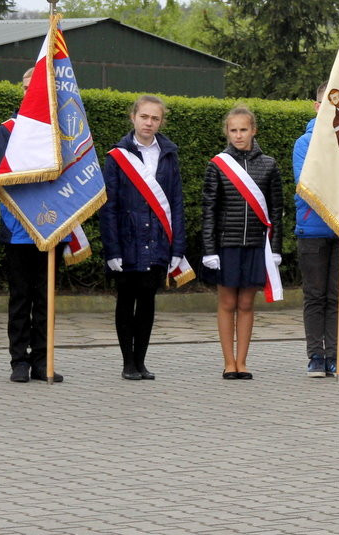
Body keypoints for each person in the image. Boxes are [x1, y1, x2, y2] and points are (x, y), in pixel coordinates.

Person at [100, 95, 186, 380]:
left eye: (155, 118)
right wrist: (112, 249)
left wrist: (177, 247)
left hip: (159, 239)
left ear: (161, 121)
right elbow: (108, 206)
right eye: (144, 117)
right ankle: (127, 362)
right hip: (126, 240)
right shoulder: (116, 157)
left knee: (148, 300)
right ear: (133, 117)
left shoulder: (169, 154)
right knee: (126, 299)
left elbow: (175, 202)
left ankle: (141, 361)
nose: (149, 123)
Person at [0, 67, 66, 383]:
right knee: (21, 298)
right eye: (27, 87)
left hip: (51, 227)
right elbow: (3, 179)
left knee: (45, 298)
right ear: (22, 90)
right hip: (19, 229)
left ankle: (41, 361)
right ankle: (18, 362)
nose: (31, 92)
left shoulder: (61, 133)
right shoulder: (8, 130)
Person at [202, 106, 283, 380]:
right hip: (227, 245)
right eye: (233, 130)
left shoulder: (269, 164)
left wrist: (276, 249)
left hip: (256, 246)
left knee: (247, 303)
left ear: (254, 130)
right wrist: (209, 250)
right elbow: (209, 210)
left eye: (243, 129)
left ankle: (243, 361)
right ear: (227, 132)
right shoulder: (217, 165)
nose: (238, 135)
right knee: (227, 302)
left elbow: (276, 211)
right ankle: (228, 362)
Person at [293, 82, 339, 378]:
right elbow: (308, 184)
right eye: (325, 105)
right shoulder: (304, 143)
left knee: (337, 295)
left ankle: (336, 354)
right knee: (315, 295)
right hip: (314, 228)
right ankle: (316, 356)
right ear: (317, 107)